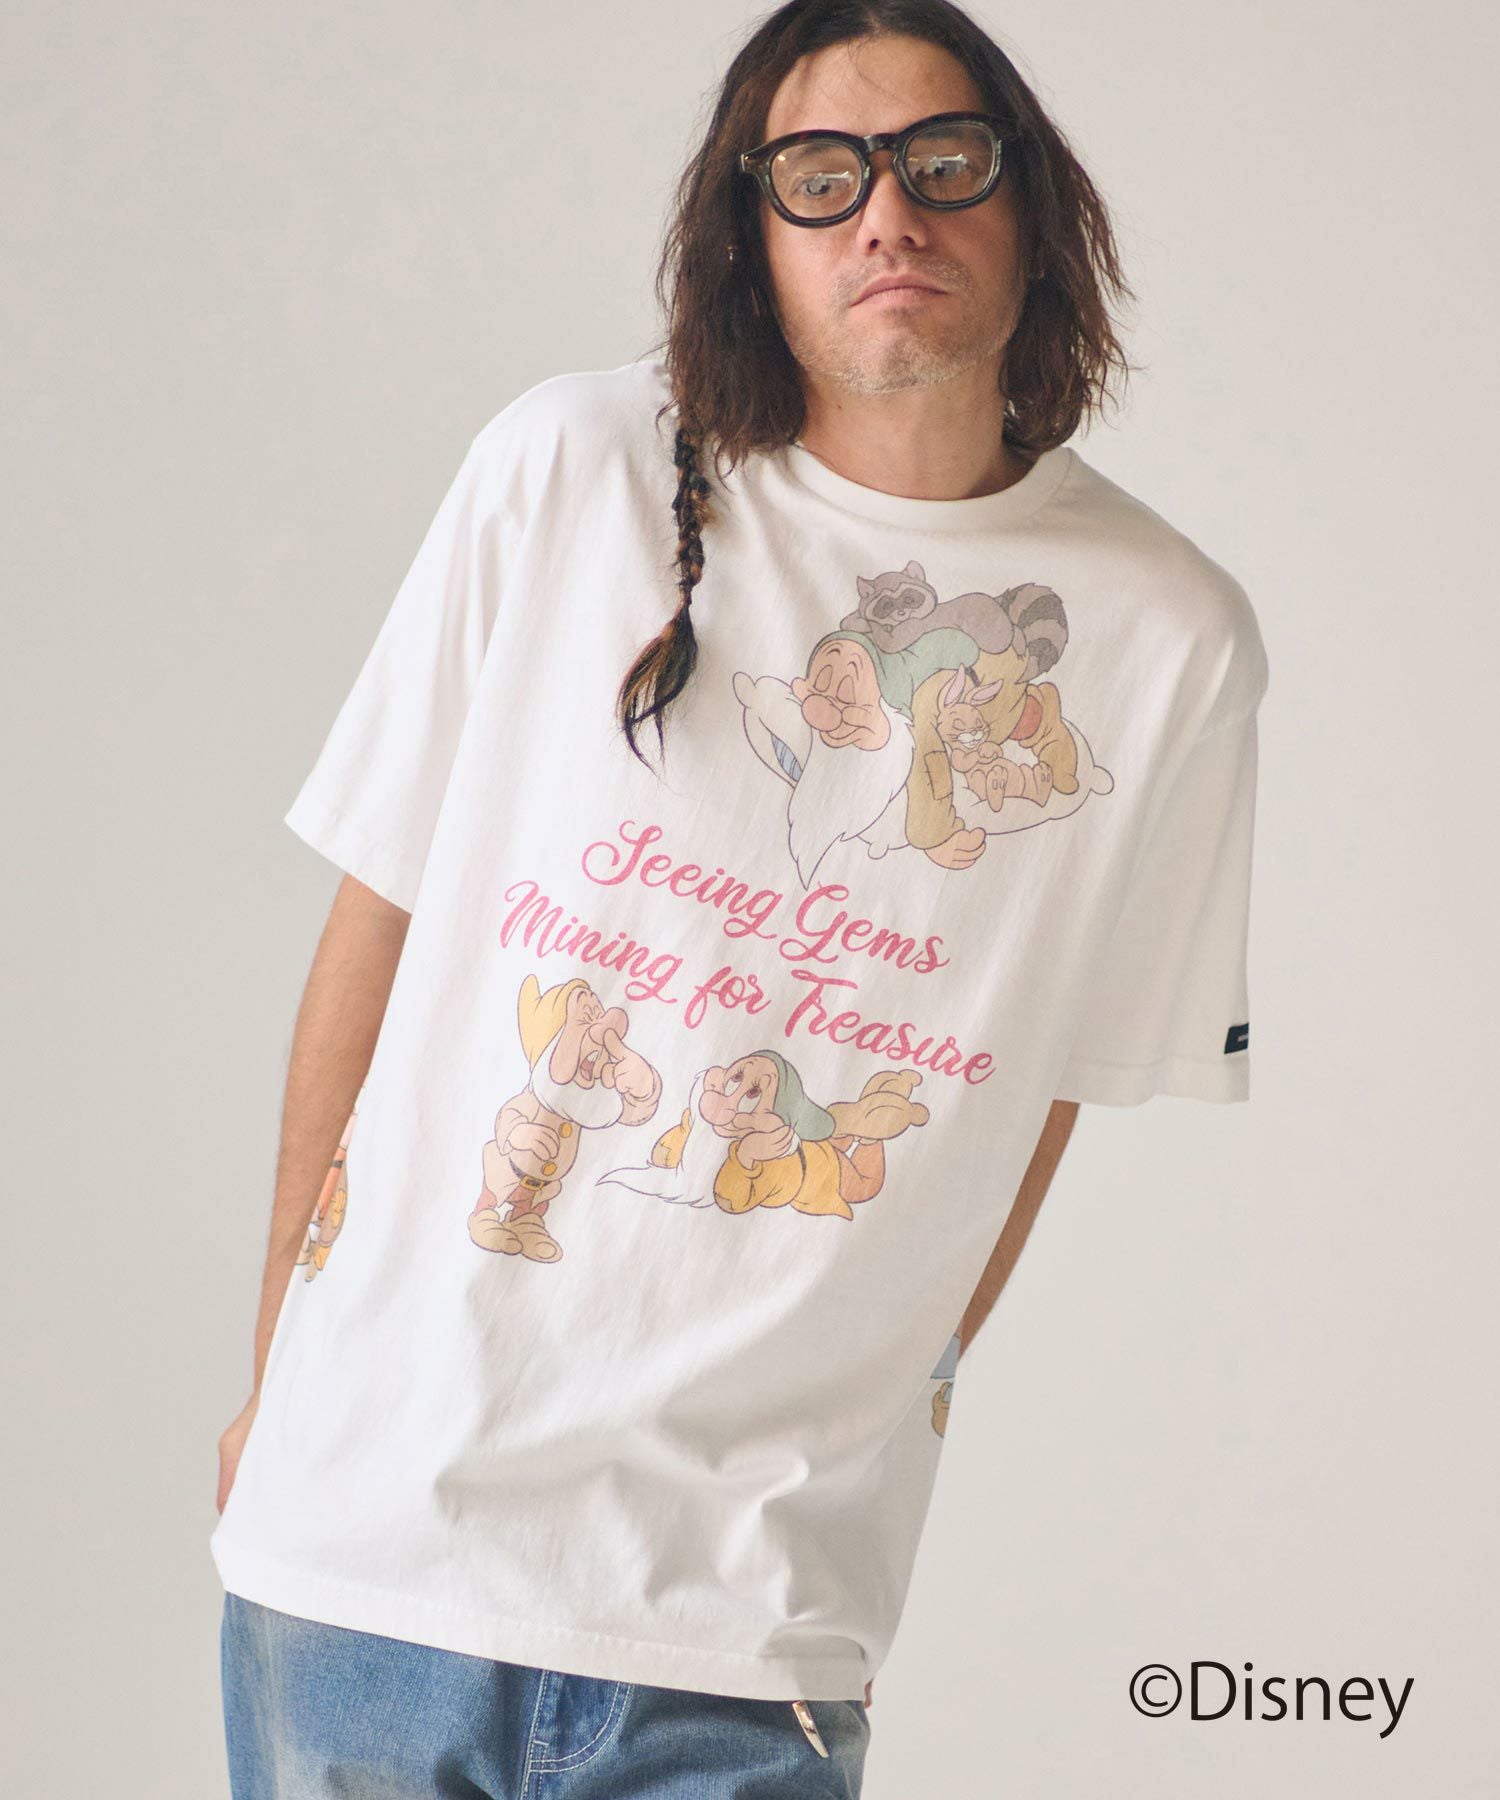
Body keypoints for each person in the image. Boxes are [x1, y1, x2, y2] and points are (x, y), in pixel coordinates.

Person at [211, 2, 1270, 1793]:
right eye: (821, 178)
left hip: (748, 1619)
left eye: (945, 163)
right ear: (749, 237)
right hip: (366, 1554)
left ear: (1032, 210)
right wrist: (277, 1383)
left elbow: (1044, 1094)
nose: (889, 216)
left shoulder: (1169, 642)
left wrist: (861, 1414)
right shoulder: (569, 468)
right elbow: (374, 929)